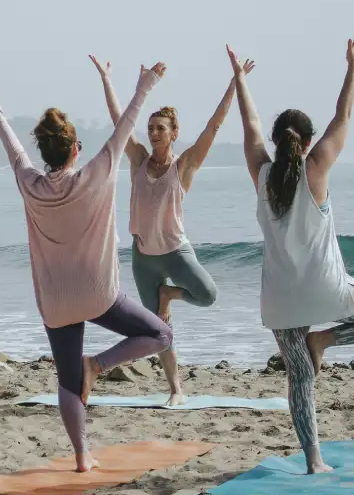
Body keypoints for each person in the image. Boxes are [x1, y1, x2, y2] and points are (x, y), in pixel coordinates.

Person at [0, 62, 173, 473]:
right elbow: (126, 127)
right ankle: (97, 365)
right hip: (99, 295)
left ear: (45, 154)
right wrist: (145, 85)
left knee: (67, 383)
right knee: (161, 334)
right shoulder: (96, 174)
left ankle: (82, 458)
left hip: (56, 303)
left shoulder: (29, 183)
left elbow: (11, 146)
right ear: (75, 148)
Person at [228, 30, 354, 473]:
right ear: (307, 142)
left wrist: (240, 80)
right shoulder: (317, 169)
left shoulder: (261, 173)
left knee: (300, 379)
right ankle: (326, 338)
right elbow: (343, 115)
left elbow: (249, 128)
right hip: (327, 290)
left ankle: (314, 461)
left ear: (276, 142)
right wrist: (352, 66)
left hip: (281, 299)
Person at [89, 54, 255, 405]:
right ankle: (176, 389)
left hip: (177, 253)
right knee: (160, 332)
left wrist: (233, 83)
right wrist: (107, 79)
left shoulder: (185, 166)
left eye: (160, 128)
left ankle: (170, 294)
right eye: (150, 128)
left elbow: (214, 126)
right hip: (143, 258)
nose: (152, 133)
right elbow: (121, 120)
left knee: (208, 295)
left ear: (174, 133)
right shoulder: (136, 159)